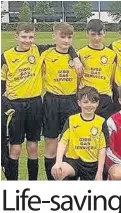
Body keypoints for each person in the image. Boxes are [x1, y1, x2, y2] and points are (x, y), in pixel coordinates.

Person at [1, 23, 81, 180]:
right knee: (15, 148)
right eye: (24, 37)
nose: (28, 40)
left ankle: (35, 183)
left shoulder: (39, 50)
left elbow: (64, 45)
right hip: (15, 105)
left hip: (36, 103)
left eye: (31, 37)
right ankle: (12, 187)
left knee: (33, 147)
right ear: (16, 37)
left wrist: (75, 57)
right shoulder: (6, 56)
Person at [41, 23, 85, 181]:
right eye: (63, 36)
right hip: (51, 101)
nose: (66, 40)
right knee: (51, 145)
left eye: (69, 37)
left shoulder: (77, 57)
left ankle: (68, 182)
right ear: (54, 37)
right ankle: (51, 183)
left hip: (71, 101)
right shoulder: (45, 53)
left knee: (71, 145)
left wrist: (75, 57)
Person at [51, 86, 107, 181]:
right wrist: (58, 162)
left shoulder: (101, 122)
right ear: (79, 103)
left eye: (93, 101)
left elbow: (102, 149)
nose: (89, 105)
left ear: (97, 103)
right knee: (57, 171)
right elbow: (63, 142)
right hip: (73, 162)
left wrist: (99, 172)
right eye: (85, 102)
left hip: (92, 164)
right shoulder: (72, 120)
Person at [78, 19, 116, 119]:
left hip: (104, 97)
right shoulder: (81, 53)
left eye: (100, 34)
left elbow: (111, 77)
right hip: (86, 97)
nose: (96, 38)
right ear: (87, 34)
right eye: (93, 34)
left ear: (105, 34)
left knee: (103, 130)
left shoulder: (111, 54)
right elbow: (78, 77)